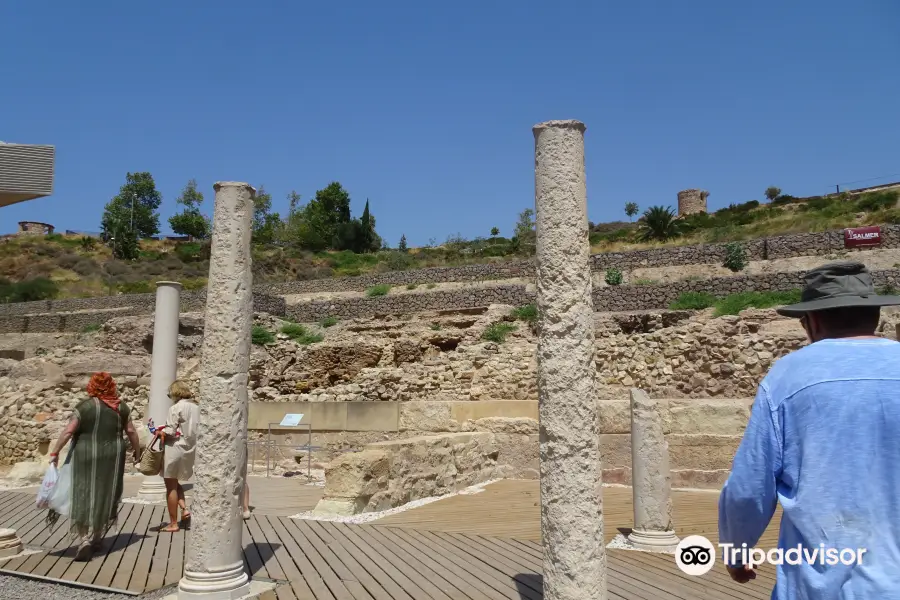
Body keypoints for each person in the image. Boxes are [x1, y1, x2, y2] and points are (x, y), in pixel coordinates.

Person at [719, 261, 900, 598]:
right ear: (875, 315)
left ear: (812, 320)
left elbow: (749, 487)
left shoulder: (788, 377)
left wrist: (737, 550)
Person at [48, 372, 141, 561]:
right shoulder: (121, 407)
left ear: (92, 386)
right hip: (113, 456)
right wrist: (138, 451)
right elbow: (131, 431)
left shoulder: (85, 407)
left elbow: (69, 431)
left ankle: (83, 540)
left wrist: (55, 452)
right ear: (111, 386)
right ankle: (98, 537)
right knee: (106, 492)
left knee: (83, 492)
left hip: (85, 454)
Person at [157, 379, 200, 533]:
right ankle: (184, 508)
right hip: (191, 448)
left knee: (170, 486)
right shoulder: (197, 408)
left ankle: (173, 523)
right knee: (175, 482)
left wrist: (158, 431)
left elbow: (170, 430)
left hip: (175, 448)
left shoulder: (176, 408)